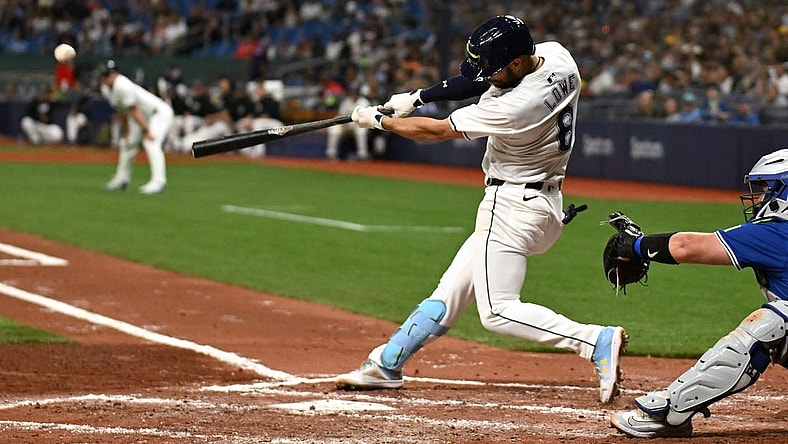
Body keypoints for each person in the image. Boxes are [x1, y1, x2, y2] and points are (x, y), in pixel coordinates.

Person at [336, 15, 626, 403]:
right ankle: (385, 364)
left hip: (510, 206)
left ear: (518, 63)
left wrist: (380, 121)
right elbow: (474, 80)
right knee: (451, 292)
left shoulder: (518, 107)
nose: (487, 77)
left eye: (494, 69)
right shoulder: (558, 58)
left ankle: (594, 340)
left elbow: (437, 132)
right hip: (543, 207)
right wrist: (418, 97)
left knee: (497, 311)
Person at [609, 147, 788, 437]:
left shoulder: (777, 232)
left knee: (773, 323)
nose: (759, 197)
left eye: (767, 188)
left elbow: (688, 247)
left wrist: (635, 246)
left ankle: (670, 412)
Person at [100, 60, 173, 194]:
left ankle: (159, 182)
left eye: (109, 74)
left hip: (158, 113)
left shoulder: (123, 85)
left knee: (151, 143)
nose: (107, 78)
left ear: (116, 74)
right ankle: (122, 180)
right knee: (127, 144)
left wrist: (146, 131)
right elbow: (121, 110)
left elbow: (134, 110)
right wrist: (126, 132)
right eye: (104, 75)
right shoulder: (105, 89)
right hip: (140, 117)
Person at [325, 87, 372, 161]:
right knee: (334, 130)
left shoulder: (364, 102)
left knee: (361, 131)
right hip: (346, 124)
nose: (353, 94)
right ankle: (331, 153)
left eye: (355, 92)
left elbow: (367, 117)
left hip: (359, 124)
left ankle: (362, 155)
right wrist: (344, 127)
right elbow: (340, 115)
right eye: (352, 92)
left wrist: (355, 125)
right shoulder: (346, 101)